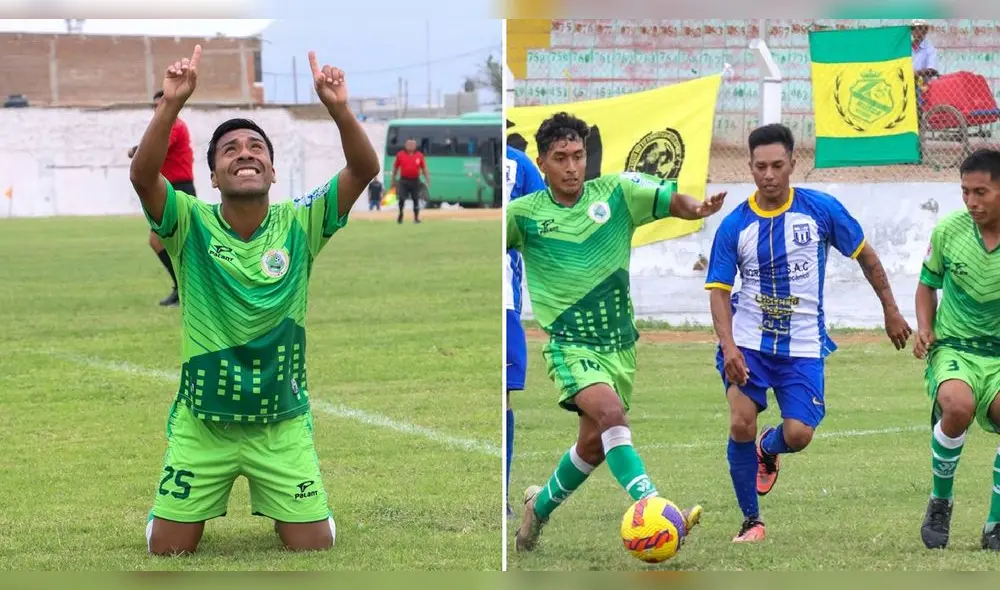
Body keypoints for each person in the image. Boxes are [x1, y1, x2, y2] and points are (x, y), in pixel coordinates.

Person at [132, 46, 379, 555]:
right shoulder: (189, 222)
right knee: (167, 550)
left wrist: (337, 108)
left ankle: (288, 497)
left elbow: (364, 169)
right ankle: (171, 511)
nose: (244, 152)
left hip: (280, 421)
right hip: (205, 423)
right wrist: (171, 106)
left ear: (272, 171)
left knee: (314, 547)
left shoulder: (301, 221)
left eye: (255, 147)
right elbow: (142, 176)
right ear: (214, 179)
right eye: (229, 150)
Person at [508, 111, 725, 552]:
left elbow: (671, 201)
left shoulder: (617, 192)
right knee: (611, 417)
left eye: (578, 155)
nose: (572, 166)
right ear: (542, 163)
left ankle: (539, 508)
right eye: (560, 158)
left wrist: (696, 209)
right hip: (570, 345)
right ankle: (656, 507)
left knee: (592, 446)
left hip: (620, 346)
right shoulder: (523, 214)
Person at [705, 123, 912, 543]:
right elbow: (719, 292)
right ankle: (751, 521)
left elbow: (867, 257)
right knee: (741, 422)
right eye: (760, 166)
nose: (768, 175)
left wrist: (891, 310)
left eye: (777, 165)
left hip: (803, 345)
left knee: (799, 435)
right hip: (749, 343)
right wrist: (728, 346)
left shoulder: (821, 210)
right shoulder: (735, 225)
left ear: (792, 165)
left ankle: (770, 448)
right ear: (749, 166)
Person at [915, 148, 1000, 551]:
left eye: (980, 192)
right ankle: (940, 502)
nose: (971, 202)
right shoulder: (949, 230)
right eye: (965, 192)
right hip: (955, 347)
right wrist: (926, 329)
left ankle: (995, 525)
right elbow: (926, 284)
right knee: (957, 405)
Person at [503, 135, 547, 520]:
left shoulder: (518, 166)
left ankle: (500, 491)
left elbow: (547, 223)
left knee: (503, 397)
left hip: (505, 300)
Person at [128, 89, 195, 307]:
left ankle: (187, 289)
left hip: (179, 189)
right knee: (164, 241)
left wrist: (136, 150)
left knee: (171, 242)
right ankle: (183, 288)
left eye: (162, 105)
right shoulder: (164, 128)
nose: (158, 110)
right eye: (155, 106)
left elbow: (158, 148)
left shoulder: (174, 126)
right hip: (167, 189)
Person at [392, 138, 429, 224]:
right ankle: (400, 214)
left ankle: (416, 218)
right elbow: (395, 168)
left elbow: (424, 169)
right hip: (403, 181)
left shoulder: (419, 155)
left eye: (413, 144)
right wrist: (393, 179)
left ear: (415, 146)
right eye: (409, 144)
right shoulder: (400, 155)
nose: (411, 146)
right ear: (405, 145)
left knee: (416, 199)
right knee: (401, 198)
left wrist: (427, 179)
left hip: (415, 181)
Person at [911, 19, 940, 86]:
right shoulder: (905, 47)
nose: (916, 31)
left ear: (925, 31)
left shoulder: (930, 49)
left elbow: (932, 70)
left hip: (922, 84)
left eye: (920, 28)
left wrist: (916, 73)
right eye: (913, 28)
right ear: (911, 31)